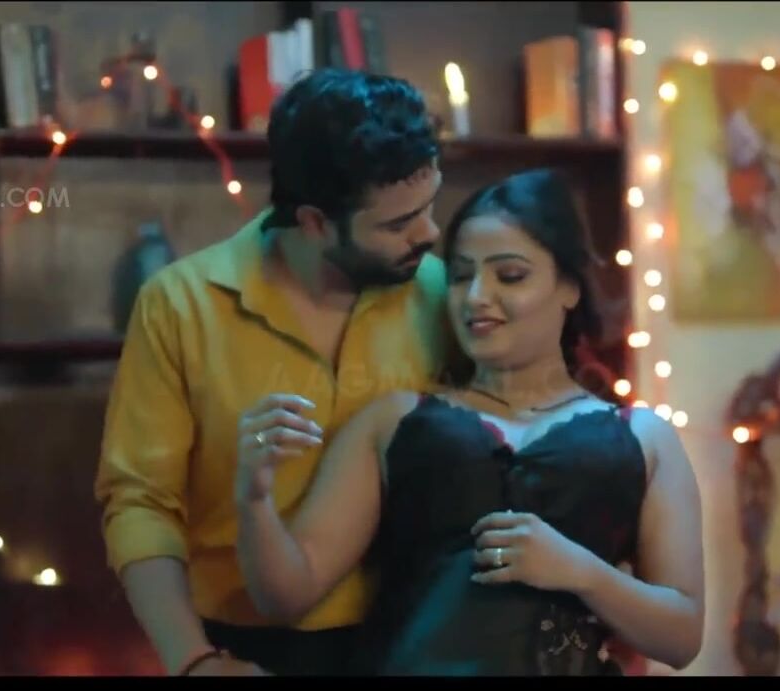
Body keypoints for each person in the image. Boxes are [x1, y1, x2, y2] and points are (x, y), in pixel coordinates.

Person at [234, 168, 706, 675]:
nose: (477, 295)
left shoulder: (643, 437)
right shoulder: (395, 422)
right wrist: (254, 498)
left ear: (569, 287)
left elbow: (682, 638)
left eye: (510, 275)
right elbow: (287, 594)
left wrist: (581, 572)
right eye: (461, 276)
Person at [93, 68, 451, 677]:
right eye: (397, 224)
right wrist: (195, 663)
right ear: (313, 222)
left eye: (429, 207)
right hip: (241, 650)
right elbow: (140, 503)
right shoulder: (180, 305)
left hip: (416, 642)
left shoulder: (443, 293)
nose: (430, 233)